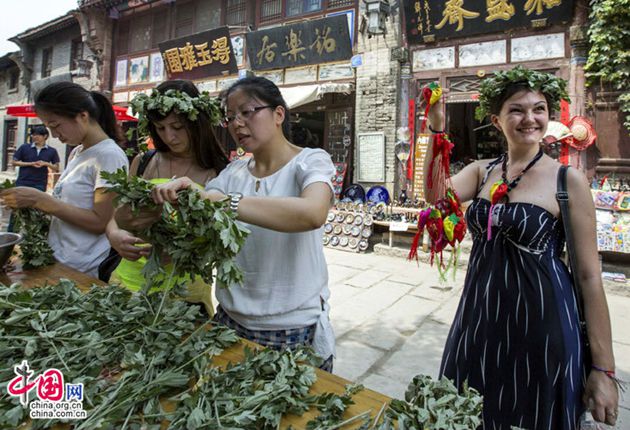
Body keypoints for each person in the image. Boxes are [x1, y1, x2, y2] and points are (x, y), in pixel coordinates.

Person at [424, 67, 619, 429]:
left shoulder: (567, 181)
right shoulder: (483, 171)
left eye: (539, 108)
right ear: (497, 121)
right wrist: (437, 128)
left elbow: (590, 276)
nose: (529, 118)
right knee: (467, 413)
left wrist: (603, 370)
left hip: (543, 326)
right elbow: (435, 195)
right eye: (517, 110)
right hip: (479, 318)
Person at [120, 76, 336, 371]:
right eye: (230, 117)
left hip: (293, 327)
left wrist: (224, 203)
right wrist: (160, 205)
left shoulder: (310, 162)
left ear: (278, 114)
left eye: (247, 112)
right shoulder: (232, 174)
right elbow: (200, 210)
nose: (236, 124)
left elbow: (312, 213)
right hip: (230, 321)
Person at [106, 80, 228, 316]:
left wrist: (184, 249)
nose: (169, 136)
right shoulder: (143, 161)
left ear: (197, 122)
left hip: (185, 295)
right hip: (127, 283)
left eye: (177, 127)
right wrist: (115, 235)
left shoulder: (221, 172)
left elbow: (222, 240)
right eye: (160, 128)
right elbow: (116, 213)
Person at [0, 82, 128, 277]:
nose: (53, 134)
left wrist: (41, 200)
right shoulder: (78, 152)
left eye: (56, 125)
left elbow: (100, 222)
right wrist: (31, 204)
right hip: (59, 260)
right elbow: (69, 205)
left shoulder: (109, 156)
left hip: (82, 270)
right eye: (47, 127)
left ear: (82, 116)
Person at [12, 125, 60, 191]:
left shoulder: (52, 151)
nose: (35, 137)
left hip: (40, 183)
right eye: (33, 135)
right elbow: (14, 162)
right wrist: (31, 164)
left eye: (38, 135)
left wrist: (46, 164)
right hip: (23, 181)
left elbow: (56, 168)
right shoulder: (24, 147)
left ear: (45, 136)